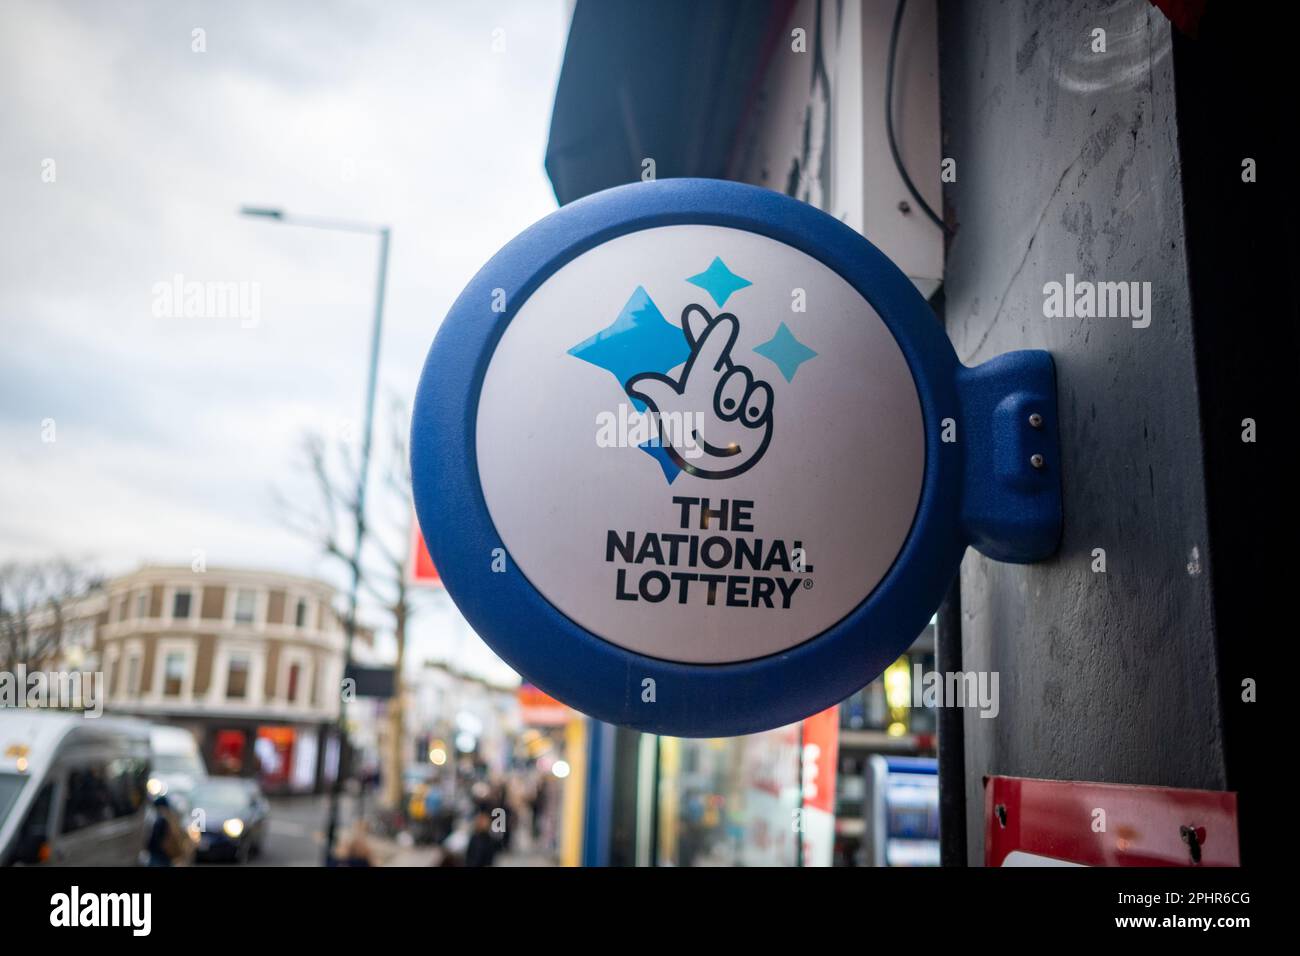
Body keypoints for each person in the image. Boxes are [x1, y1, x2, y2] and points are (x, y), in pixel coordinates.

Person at [144, 795, 175, 867]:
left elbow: (155, 839)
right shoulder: (170, 819)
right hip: (166, 855)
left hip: (158, 855)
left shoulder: (160, 820)